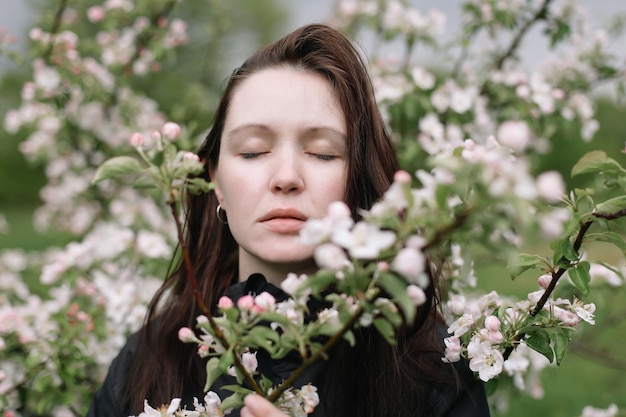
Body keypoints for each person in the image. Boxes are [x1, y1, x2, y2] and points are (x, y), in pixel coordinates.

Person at [87, 23, 490, 417]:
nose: (285, 178)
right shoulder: (151, 362)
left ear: (359, 182)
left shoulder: (430, 370)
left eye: (322, 153)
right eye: (252, 151)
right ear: (215, 181)